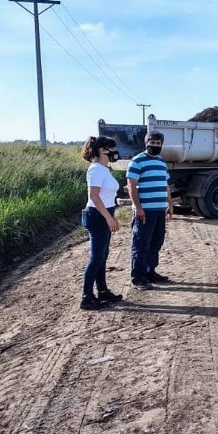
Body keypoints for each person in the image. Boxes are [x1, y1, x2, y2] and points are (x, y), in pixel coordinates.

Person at [79, 135, 123, 310]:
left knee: (102, 256)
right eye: (111, 149)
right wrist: (109, 218)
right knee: (96, 257)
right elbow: (94, 197)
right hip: (97, 216)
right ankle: (86, 297)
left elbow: (106, 195)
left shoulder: (104, 168)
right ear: (102, 150)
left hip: (104, 213)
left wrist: (111, 214)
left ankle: (102, 292)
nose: (114, 152)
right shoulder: (96, 169)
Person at [127, 131, 173, 289]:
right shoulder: (137, 161)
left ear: (161, 144)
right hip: (144, 211)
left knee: (156, 242)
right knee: (140, 244)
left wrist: (170, 203)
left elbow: (165, 185)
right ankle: (137, 278)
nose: (155, 146)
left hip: (160, 210)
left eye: (158, 143)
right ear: (145, 143)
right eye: (152, 143)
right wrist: (138, 208)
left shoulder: (161, 162)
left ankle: (150, 272)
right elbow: (132, 187)